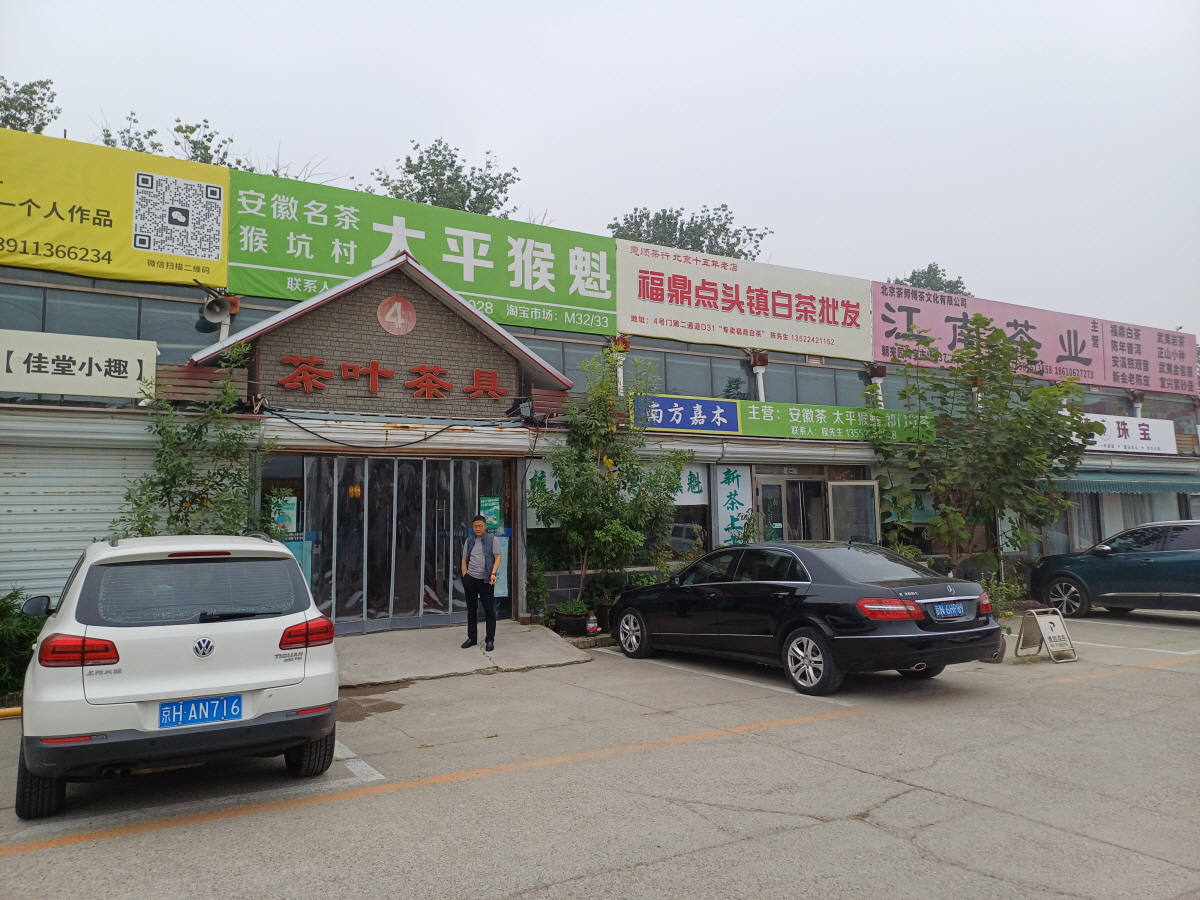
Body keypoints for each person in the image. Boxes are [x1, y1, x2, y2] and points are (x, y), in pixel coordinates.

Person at [461, 514, 502, 651]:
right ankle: (472, 638)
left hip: (486, 580)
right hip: (471, 579)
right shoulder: (469, 541)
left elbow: (497, 558)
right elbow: (464, 559)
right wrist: (465, 576)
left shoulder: (493, 540)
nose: (477, 529)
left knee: (489, 610)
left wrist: (493, 573)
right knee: (471, 610)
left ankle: (490, 640)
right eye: (475, 526)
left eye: (480, 526)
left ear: (485, 526)